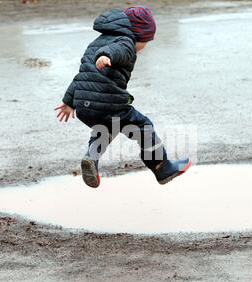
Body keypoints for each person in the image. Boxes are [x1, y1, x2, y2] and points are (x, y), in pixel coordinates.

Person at [55, 6, 190, 188]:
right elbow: (118, 50)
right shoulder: (126, 42)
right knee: (144, 127)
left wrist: (68, 101)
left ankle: (91, 158)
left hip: (83, 105)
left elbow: (84, 76)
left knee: (107, 128)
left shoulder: (97, 41)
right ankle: (162, 167)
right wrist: (106, 56)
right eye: (145, 42)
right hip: (109, 104)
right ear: (138, 36)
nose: (143, 47)